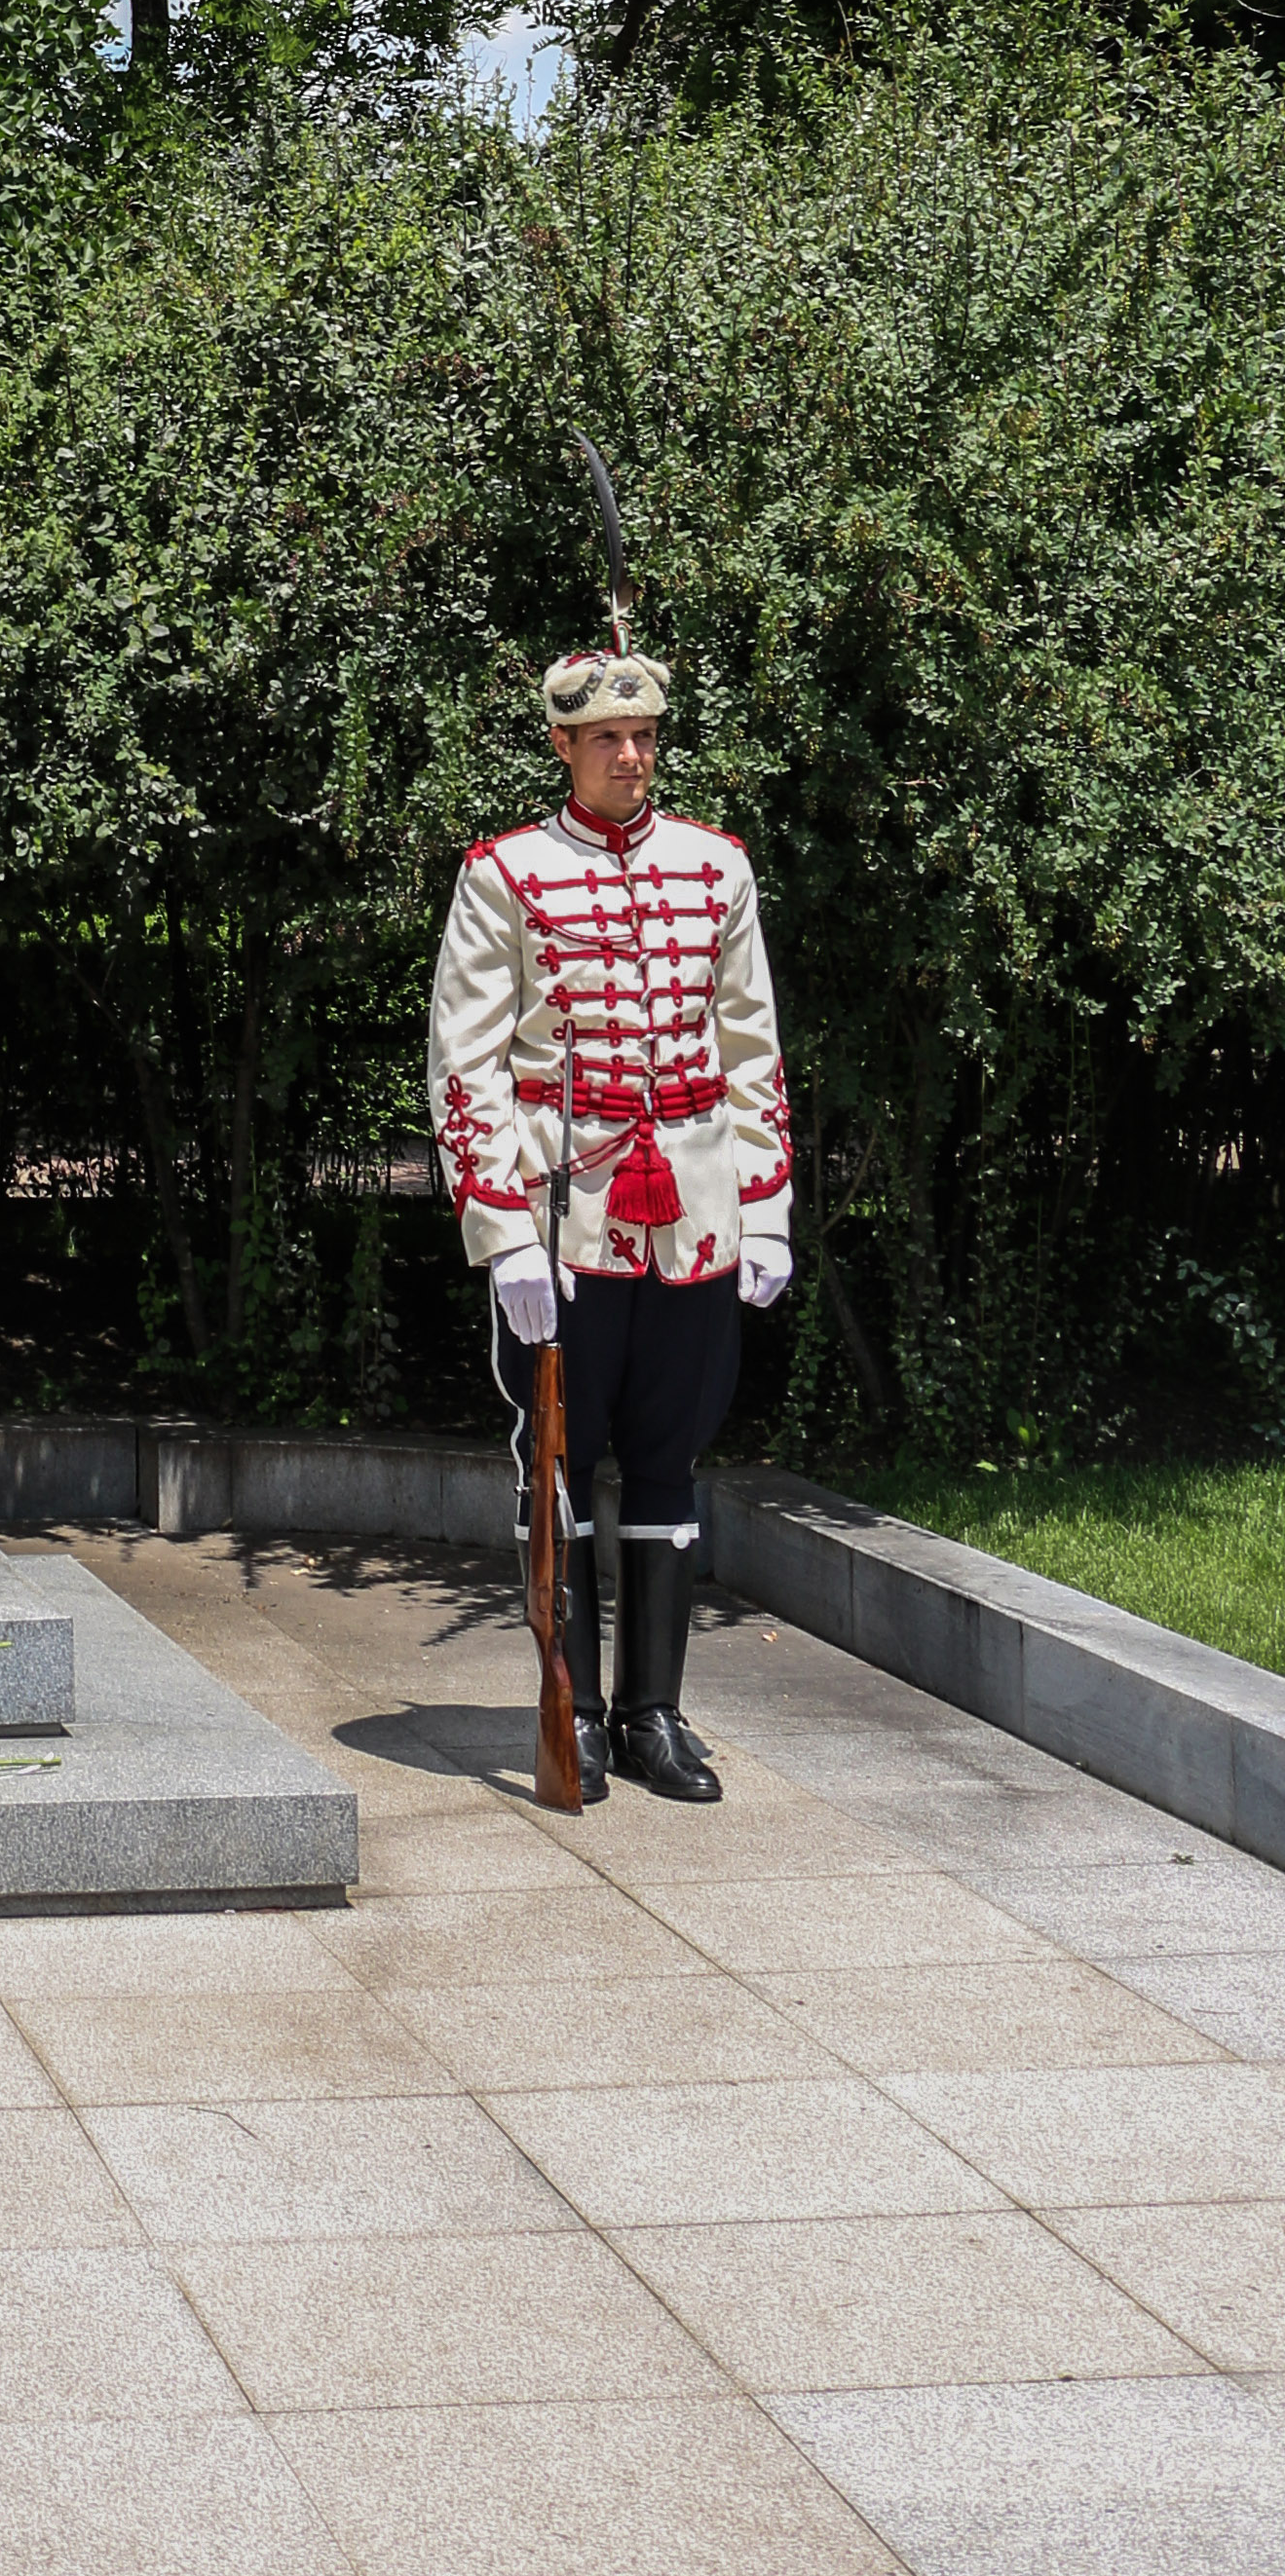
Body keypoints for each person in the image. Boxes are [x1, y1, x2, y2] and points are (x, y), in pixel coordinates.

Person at [427, 646, 791, 1802]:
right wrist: (504, 1234)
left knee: (670, 1464)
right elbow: (465, 1067)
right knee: (566, 1472)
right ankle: (574, 1709)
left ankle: (655, 1716)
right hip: (563, 1219)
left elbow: (752, 1052)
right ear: (564, 747)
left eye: (643, 738)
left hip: (693, 1214)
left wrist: (767, 1208)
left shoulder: (716, 868)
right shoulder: (506, 875)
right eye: (605, 740)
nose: (630, 757)